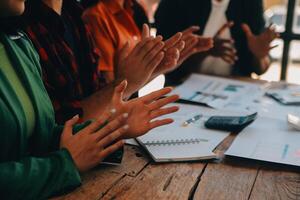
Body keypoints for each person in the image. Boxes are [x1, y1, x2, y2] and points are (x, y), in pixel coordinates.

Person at [0, 0, 180, 198]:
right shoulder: (27, 26)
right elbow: (63, 118)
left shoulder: (17, 40)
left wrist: (114, 128)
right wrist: (63, 163)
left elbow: (40, 134)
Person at [23, 0, 182, 124]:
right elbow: (59, 125)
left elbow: (98, 94)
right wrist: (125, 82)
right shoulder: (24, 26)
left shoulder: (73, 13)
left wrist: (151, 66)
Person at [82, 0, 213, 84]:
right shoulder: (95, 17)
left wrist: (161, 65)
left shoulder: (135, 9)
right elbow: (108, 92)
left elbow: (132, 84)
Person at [155, 0, 279, 85]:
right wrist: (205, 51)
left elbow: (260, 69)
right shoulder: (174, 3)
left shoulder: (250, 3)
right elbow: (164, 64)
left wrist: (260, 56)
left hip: (234, 92)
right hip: (182, 92)